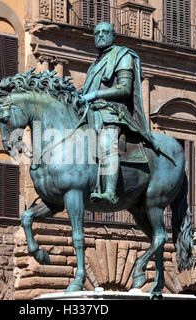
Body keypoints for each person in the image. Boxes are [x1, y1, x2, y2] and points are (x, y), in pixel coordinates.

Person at [78, 21, 160, 205]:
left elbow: (124, 88)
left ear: (113, 35)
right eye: (97, 32)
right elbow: (87, 89)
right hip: (92, 111)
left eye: (105, 32)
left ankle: (109, 192)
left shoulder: (122, 55)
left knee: (108, 144)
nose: (100, 35)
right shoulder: (95, 63)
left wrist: (95, 94)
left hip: (113, 112)